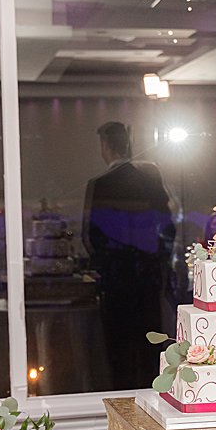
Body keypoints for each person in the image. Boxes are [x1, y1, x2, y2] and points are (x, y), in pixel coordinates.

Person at [81, 121, 174, 387]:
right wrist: (157, 263)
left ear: (106, 146)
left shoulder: (99, 185)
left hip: (116, 281)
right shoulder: (149, 181)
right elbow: (168, 226)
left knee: (119, 349)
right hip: (148, 278)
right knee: (149, 347)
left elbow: (91, 236)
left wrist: (107, 265)